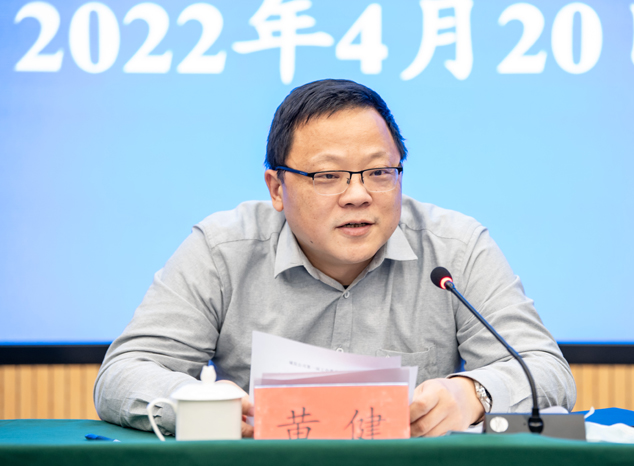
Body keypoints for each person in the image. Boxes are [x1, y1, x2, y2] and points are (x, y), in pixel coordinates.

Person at [94, 79, 576, 438]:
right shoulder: (223, 250)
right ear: (276, 188)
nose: (358, 195)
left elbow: (546, 370)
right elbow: (123, 372)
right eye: (328, 176)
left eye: (379, 172)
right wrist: (202, 403)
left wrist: (472, 394)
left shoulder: (455, 247)